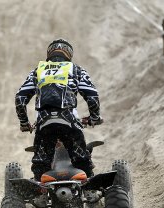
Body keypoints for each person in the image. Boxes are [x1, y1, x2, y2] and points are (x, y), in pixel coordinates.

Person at [15, 38, 103, 181]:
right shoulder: (76, 69)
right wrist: (94, 117)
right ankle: (89, 190)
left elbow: (20, 98)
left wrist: (24, 123)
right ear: (69, 54)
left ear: (49, 53)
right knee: (82, 161)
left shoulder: (37, 71)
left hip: (44, 123)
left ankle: (40, 191)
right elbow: (92, 95)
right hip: (69, 121)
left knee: (40, 165)